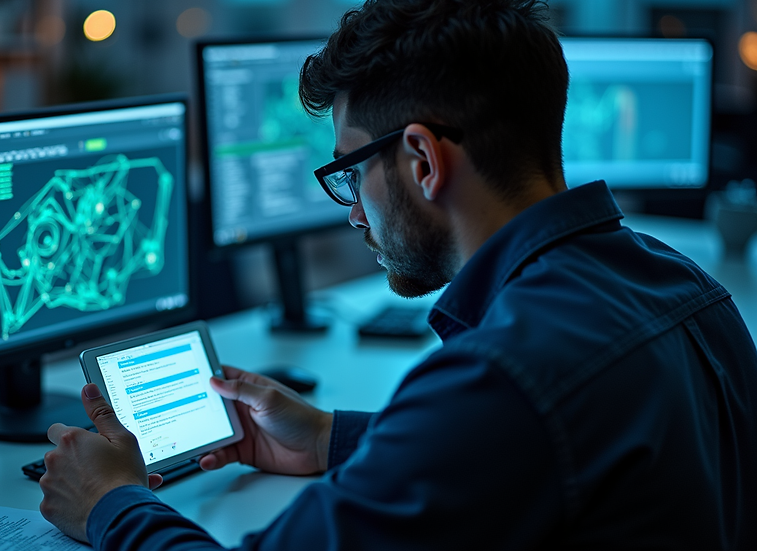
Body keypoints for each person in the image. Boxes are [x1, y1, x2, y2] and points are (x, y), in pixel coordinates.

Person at [38, 0, 757, 548]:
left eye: (351, 174)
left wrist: (112, 500)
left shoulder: (504, 376)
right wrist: (329, 437)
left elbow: (507, 419)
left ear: (422, 161)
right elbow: (522, 450)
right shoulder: (688, 286)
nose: (353, 214)